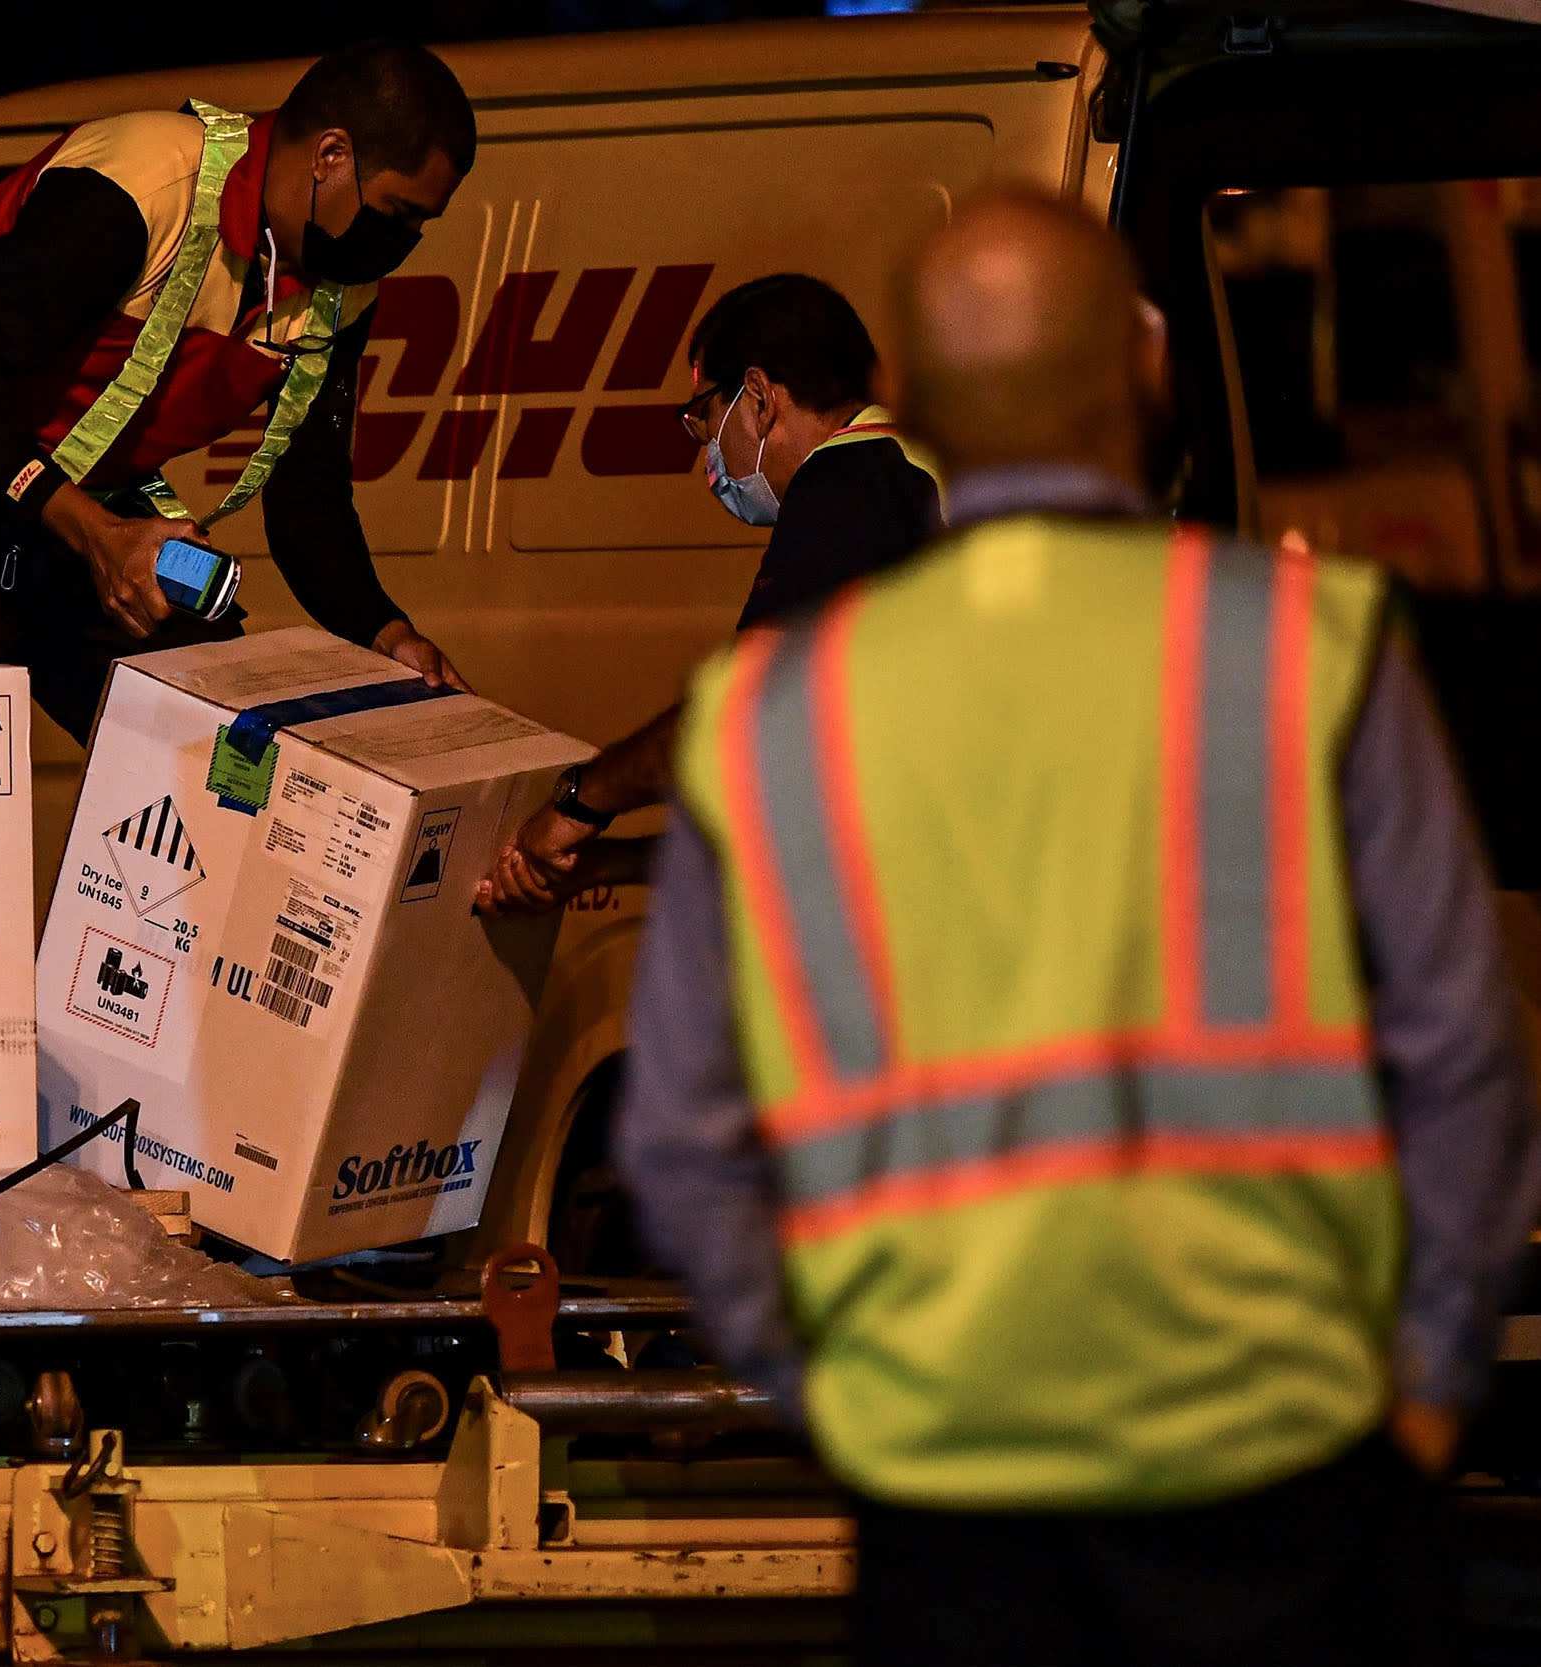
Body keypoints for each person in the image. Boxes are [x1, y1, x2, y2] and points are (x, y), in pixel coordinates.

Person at [613, 188, 1541, 1665]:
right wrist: (1425, 1378)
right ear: (1149, 368)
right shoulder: (1311, 648)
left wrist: (844, 1389)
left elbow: (676, 1133)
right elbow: (1469, 1054)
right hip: (1286, 1451)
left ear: (915, 407)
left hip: (953, 1465)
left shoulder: (775, 715)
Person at [0, 39, 475, 741]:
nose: (404, 240)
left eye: (423, 223)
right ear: (330, 155)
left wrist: (385, 631)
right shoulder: (144, 182)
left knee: (225, 744)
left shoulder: (342, 292)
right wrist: (98, 535)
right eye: (398, 212)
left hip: (53, 495)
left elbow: (309, 498)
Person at [478, 274, 939, 913]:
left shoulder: (847, 483)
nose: (708, 461)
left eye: (704, 420)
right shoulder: (915, 472)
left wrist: (579, 802)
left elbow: (740, 726)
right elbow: (801, 814)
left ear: (757, 398)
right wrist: (607, 864)